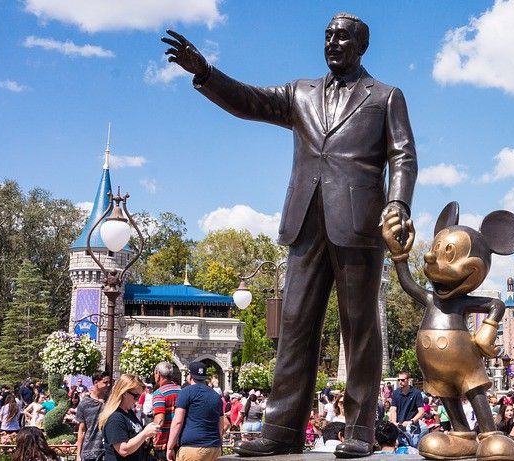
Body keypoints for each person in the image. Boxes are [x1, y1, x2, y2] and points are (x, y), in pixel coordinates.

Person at [164, 9, 418, 457]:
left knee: (359, 328)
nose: (332, 43)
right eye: (327, 35)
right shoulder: (300, 93)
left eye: (342, 37)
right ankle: (281, 429)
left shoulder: (385, 96)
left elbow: (403, 155)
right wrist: (205, 73)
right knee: (296, 324)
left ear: (361, 46)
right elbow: (249, 101)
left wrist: (396, 203)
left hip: (359, 223)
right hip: (305, 220)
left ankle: (359, 431)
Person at [165, 362, 225, 461]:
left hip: (192, 447)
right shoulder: (216, 396)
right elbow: (221, 425)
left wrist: (170, 447)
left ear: (190, 376)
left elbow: (177, 422)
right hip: (214, 447)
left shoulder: (186, 392)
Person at [97, 374, 158, 461]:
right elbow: (123, 450)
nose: (138, 400)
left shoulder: (129, 412)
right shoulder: (115, 418)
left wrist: (146, 436)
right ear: (124, 393)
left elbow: (135, 436)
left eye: (140, 396)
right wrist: (145, 433)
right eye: (136, 396)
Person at [76, 371, 111, 461]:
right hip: (89, 452)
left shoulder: (111, 402)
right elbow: (82, 430)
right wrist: (78, 454)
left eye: (108, 382)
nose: (108, 385)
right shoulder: (84, 404)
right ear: (96, 383)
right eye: (105, 382)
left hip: (108, 451)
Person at [151, 362, 182, 459]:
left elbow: (159, 420)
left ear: (158, 374)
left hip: (163, 442)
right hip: (179, 440)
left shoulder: (159, 393)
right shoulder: (181, 391)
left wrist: (150, 436)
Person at [387, 372, 424, 447]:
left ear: (408, 380)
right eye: (399, 380)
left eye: (403, 380)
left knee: (413, 452)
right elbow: (393, 409)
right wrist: (394, 422)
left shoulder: (416, 393)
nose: (400, 382)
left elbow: (421, 411)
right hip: (399, 429)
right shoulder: (396, 393)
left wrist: (411, 422)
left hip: (413, 429)